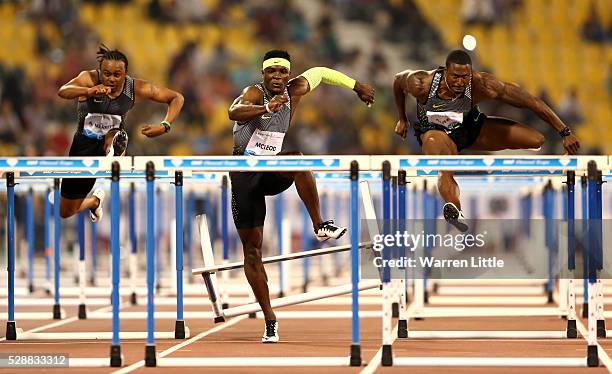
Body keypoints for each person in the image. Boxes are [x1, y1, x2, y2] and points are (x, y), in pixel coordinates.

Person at [228, 49, 375, 343]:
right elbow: (234, 112)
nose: (278, 77)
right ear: (263, 74)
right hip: (244, 174)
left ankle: (320, 224)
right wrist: (267, 109)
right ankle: (270, 319)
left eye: (283, 71)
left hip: (269, 170)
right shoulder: (254, 93)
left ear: (289, 74)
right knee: (253, 252)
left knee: (297, 159)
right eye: (272, 72)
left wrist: (356, 86)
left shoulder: (295, 89)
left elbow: (321, 71)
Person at [393, 50, 580, 231]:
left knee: (536, 140)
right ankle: (455, 209)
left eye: (465, 77)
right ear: (445, 72)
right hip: (437, 133)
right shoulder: (422, 83)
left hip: (471, 129)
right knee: (444, 166)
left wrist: (564, 131)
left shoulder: (482, 83)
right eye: (455, 76)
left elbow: (530, 101)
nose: (460, 82)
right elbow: (397, 81)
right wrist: (402, 118)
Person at [57, 44, 184, 221]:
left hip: (111, 142)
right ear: (100, 71)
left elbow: (176, 97)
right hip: (83, 146)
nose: (111, 79)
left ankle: (115, 149)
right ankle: (94, 202)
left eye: (117, 75)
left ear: (126, 74)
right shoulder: (89, 78)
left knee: (115, 134)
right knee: (66, 211)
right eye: (106, 74)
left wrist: (165, 125)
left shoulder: (135, 88)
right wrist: (88, 91)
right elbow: (63, 91)